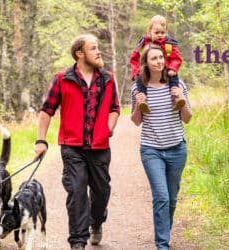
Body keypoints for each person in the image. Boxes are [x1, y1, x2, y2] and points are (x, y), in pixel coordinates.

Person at [34, 34, 120, 250]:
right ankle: (78, 242)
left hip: (100, 147)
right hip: (72, 147)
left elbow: (115, 108)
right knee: (77, 192)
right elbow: (47, 111)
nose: (98, 51)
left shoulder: (108, 78)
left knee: (101, 192)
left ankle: (97, 222)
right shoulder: (62, 79)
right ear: (79, 54)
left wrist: (109, 127)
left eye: (98, 47)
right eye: (93, 48)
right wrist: (41, 140)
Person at [131, 44, 192, 250]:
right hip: (151, 150)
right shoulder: (139, 88)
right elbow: (136, 121)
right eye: (154, 58)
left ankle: (165, 230)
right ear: (146, 64)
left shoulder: (177, 85)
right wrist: (139, 104)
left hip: (177, 148)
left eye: (160, 58)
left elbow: (188, 118)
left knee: (172, 199)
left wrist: (182, 100)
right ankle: (162, 245)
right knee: (162, 197)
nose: (159, 61)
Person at [130, 15, 185, 113]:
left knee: (174, 78)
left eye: (162, 32)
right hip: (147, 71)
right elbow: (135, 58)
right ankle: (143, 102)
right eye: (157, 32)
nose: (160, 35)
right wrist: (135, 71)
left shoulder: (168, 44)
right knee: (140, 79)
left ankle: (176, 99)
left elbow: (176, 58)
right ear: (150, 31)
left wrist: (173, 68)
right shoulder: (144, 44)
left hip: (167, 69)